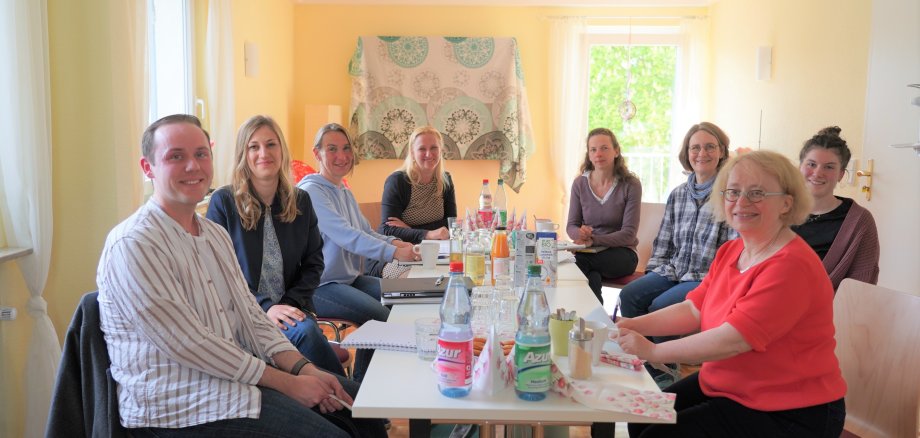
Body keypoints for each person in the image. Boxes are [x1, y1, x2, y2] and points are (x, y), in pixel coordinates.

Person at [97, 114, 385, 437]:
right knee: (333, 434)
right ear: (148, 168)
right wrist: (289, 383)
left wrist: (304, 368)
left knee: (365, 408)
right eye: (176, 156)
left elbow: (250, 313)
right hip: (178, 406)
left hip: (234, 383)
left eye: (201, 154)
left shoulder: (212, 235)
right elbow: (191, 344)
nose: (193, 166)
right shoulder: (135, 244)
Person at [618, 151, 846, 437]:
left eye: (757, 193)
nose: (741, 203)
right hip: (733, 385)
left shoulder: (791, 266)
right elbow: (694, 310)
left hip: (790, 409)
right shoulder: (732, 250)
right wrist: (633, 325)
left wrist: (653, 350)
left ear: (786, 203)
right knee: (641, 417)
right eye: (733, 192)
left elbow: (733, 340)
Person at [206, 115, 345, 376]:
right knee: (306, 335)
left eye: (271, 145)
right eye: (253, 147)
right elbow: (219, 271)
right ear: (243, 154)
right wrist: (267, 306)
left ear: (282, 150)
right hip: (245, 314)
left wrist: (289, 305)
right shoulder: (224, 202)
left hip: (295, 307)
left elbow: (314, 262)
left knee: (304, 330)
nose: (263, 153)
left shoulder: (300, 200)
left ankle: (346, 404)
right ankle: (350, 404)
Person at [297, 123, 415, 342]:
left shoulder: (344, 192)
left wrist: (396, 243)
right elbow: (347, 236)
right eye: (332, 148)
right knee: (382, 317)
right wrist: (393, 253)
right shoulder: (311, 192)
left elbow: (365, 232)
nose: (342, 155)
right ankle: (364, 376)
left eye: (346, 148)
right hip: (320, 286)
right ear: (317, 154)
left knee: (405, 298)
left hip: (349, 280)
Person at [619, 122, 737, 328]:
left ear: (721, 152)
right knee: (629, 295)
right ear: (687, 153)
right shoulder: (678, 194)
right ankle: (641, 358)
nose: (702, 153)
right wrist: (653, 275)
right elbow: (663, 244)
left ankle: (665, 359)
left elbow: (734, 250)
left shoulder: (731, 195)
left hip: (706, 278)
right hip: (673, 271)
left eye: (710, 146)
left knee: (660, 307)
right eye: (695, 147)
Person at [793, 126, 880, 290]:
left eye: (829, 167)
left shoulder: (860, 221)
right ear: (800, 167)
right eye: (811, 164)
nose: (818, 173)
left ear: (841, 174)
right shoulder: (778, 210)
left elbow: (862, 285)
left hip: (828, 312)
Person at [367, 126, 457, 277]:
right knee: (420, 281)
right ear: (412, 153)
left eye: (434, 148)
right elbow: (387, 230)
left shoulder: (445, 180)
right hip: (395, 255)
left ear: (441, 151)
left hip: (432, 252)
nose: (429, 154)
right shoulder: (397, 181)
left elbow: (449, 226)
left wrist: (409, 228)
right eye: (422, 149)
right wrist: (428, 234)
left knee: (455, 276)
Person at [566, 127, 642, 303]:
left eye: (604, 148)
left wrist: (594, 240)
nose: (598, 153)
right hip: (590, 252)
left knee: (578, 263)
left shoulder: (631, 184)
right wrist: (580, 234)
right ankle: (595, 320)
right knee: (591, 276)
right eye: (593, 149)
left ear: (616, 151)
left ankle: (579, 314)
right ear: (589, 155)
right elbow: (571, 225)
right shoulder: (579, 184)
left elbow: (629, 234)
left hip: (623, 254)